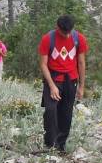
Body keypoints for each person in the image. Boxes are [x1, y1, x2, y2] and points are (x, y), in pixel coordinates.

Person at [38, 15, 88, 152]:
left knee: (66, 113)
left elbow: (81, 62)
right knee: (50, 110)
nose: (66, 35)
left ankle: (61, 145)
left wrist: (81, 86)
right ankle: (49, 143)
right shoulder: (48, 39)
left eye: (69, 32)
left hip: (70, 80)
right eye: (63, 32)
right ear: (57, 27)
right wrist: (52, 85)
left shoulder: (79, 39)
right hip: (53, 78)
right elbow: (43, 64)